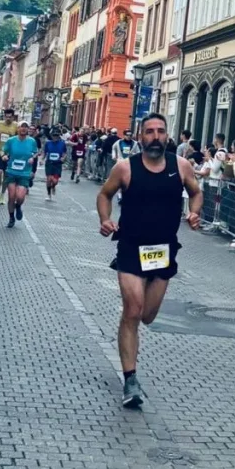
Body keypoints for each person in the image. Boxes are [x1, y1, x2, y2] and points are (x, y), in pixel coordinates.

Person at [97, 113, 203, 407]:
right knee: (133, 310)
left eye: (160, 131)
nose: (156, 137)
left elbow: (196, 192)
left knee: (147, 315)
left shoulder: (180, 166)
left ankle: (129, 345)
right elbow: (104, 194)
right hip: (131, 247)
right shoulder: (125, 168)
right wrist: (105, 219)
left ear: (167, 135)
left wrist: (194, 213)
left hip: (164, 250)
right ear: (140, 136)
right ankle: (130, 379)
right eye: (149, 132)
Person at [2, 121, 39, 228]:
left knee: (20, 197)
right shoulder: (11, 141)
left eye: (25, 127)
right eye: (21, 127)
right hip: (11, 172)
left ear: (28, 129)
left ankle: (18, 206)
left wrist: (33, 158)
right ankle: (11, 218)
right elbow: (4, 152)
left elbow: (36, 152)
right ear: (17, 129)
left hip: (24, 173)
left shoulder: (32, 141)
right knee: (11, 196)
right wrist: (4, 156)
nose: (23, 129)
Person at [0, 108, 19, 204]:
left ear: (13, 117)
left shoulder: (16, 126)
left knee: (6, 175)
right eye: (6, 117)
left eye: (10, 117)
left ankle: (2, 195)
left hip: (10, 154)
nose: (8, 119)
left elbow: (20, 137)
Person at [42, 127, 67, 202]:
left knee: (55, 181)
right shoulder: (48, 143)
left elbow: (65, 153)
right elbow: (44, 152)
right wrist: (42, 159)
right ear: (51, 136)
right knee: (49, 179)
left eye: (57, 136)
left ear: (59, 136)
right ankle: (49, 194)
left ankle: (53, 186)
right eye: (54, 135)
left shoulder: (62, 144)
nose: (55, 137)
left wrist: (63, 158)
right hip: (49, 163)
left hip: (57, 164)